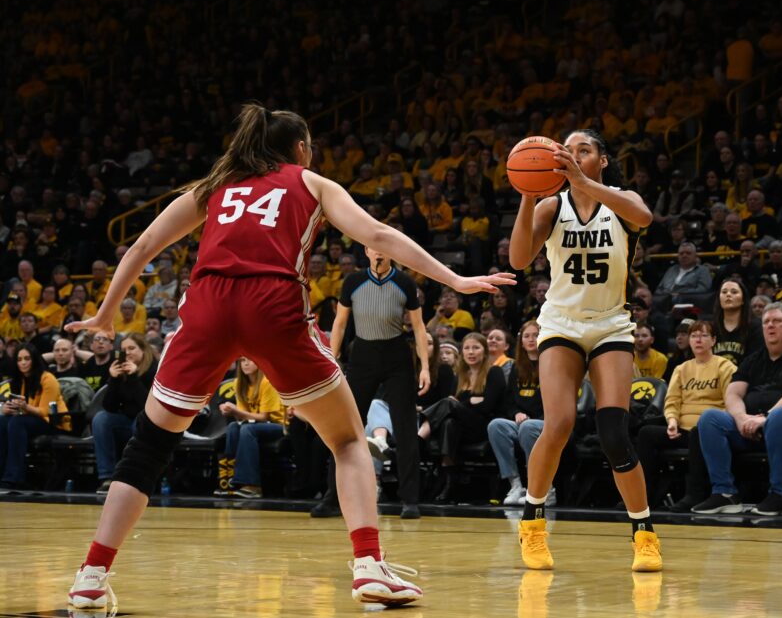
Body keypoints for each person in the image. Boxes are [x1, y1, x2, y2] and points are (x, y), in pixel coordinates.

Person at [65, 104, 513, 610]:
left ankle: (91, 574)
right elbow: (380, 236)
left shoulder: (216, 183)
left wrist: (105, 314)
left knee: (147, 448)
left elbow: (143, 244)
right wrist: (454, 279)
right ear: (300, 148)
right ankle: (368, 564)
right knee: (347, 440)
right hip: (272, 304)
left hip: (209, 303)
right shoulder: (312, 182)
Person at [509, 129, 662, 572]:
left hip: (611, 324)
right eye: (567, 151)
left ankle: (644, 533)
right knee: (558, 423)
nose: (573, 156)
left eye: (584, 150)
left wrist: (582, 180)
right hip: (561, 323)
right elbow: (519, 259)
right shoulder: (552, 207)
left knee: (614, 431)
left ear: (603, 160)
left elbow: (646, 217)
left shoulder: (619, 200)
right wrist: (527, 192)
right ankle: (533, 524)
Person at [321, 245, 430, 520]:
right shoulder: (353, 281)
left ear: (392, 252)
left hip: (397, 356)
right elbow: (341, 323)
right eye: (373, 248)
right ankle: (332, 498)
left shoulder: (404, 282)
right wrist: (332, 358)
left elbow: (418, 327)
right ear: (366, 252)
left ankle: (410, 501)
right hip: (363, 356)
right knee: (345, 428)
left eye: (383, 248)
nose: (378, 252)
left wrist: (425, 367)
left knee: (405, 428)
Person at [691, 302, 782, 516]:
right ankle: (724, 492)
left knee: (780, 416)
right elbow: (732, 393)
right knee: (710, 418)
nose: (770, 326)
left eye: (777, 321)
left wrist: (766, 418)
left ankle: (780, 493)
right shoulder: (753, 360)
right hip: (750, 428)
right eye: (766, 322)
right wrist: (741, 418)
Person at [635, 321, 735, 508]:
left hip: (707, 430)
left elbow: (731, 403)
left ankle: (695, 494)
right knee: (646, 433)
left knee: (698, 432)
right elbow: (671, 401)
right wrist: (672, 421)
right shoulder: (681, 369)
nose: (698, 340)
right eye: (694, 336)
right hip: (680, 429)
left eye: (704, 335)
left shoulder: (726, 367)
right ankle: (643, 496)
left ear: (713, 340)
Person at [417, 332, 505, 502]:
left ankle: (419, 437)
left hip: (483, 426)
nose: (471, 352)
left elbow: (487, 406)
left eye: (476, 348)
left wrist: (461, 402)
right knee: (449, 422)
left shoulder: (494, 372)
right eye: (467, 348)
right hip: (461, 426)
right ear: (462, 352)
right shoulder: (459, 375)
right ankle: (449, 482)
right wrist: (471, 400)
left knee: (448, 405)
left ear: (484, 351)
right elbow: (453, 405)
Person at [487, 321, 550, 505]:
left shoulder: (551, 363)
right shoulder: (517, 366)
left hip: (546, 421)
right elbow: (509, 400)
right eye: (527, 336)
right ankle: (515, 484)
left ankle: (542, 488)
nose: (531, 339)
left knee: (528, 427)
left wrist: (531, 418)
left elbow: (552, 400)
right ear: (521, 341)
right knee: (496, 426)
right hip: (523, 422)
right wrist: (516, 413)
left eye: (536, 335)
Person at [214, 356, 287, 499]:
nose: (245, 364)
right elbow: (242, 418)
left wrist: (236, 411)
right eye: (242, 361)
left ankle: (251, 485)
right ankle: (230, 480)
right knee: (233, 427)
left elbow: (265, 417)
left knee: (247, 429)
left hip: (278, 425)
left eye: (250, 360)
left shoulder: (267, 382)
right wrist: (231, 412)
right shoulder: (239, 383)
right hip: (256, 425)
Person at [93, 334, 157, 493]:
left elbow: (146, 406)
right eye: (123, 350)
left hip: (150, 424)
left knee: (140, 420)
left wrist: (134, 377)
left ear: (143, 350)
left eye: (131, 348)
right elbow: (109, 406)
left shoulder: (153, 370)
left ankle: (137, 478)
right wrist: (113, 379)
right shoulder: (120, 370)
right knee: (101, 419)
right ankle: (107, 477)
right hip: (126, 421)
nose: (127, 352)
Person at [0, 343, 70, 488]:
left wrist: (24, 407)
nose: (23, 362)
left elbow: (44, 412)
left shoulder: (48, 378)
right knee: (3, 421)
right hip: (29, 420)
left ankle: (14, 478)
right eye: (19, 359)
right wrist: (7, 409)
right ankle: (2, 473)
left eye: (27, 358)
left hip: (53, 423)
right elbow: (22, 411)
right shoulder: (19, 380)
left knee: (17, 423)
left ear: (34, 360)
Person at [712, 279, 762, 367]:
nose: (728, 294)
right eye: (724, 292)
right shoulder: (711, 328)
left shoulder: (756, 327)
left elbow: (755, 362)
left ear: (743, 300)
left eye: (734, 292)